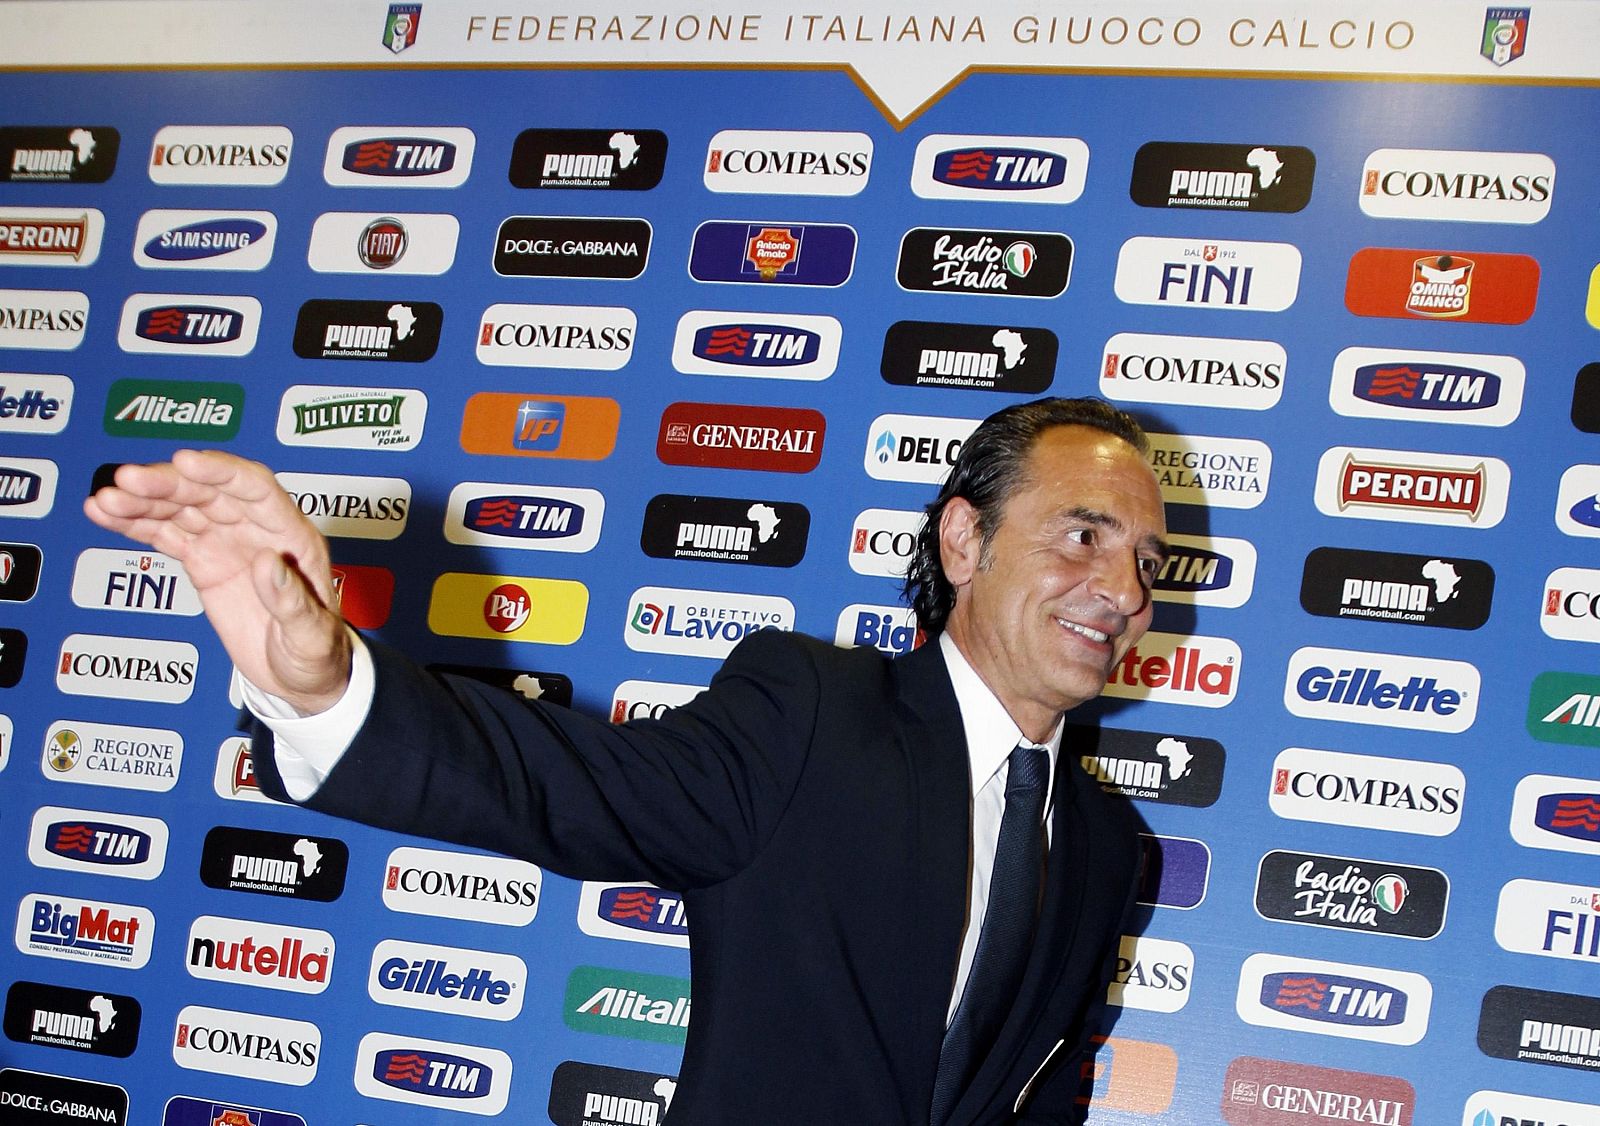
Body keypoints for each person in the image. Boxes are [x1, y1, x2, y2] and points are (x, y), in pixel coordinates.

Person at [85, 396, 1169, 1125]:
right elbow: (569, 786)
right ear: (963, 542)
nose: (1122, 590)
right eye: (1081, 536)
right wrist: (325, 687)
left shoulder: (1106, 842)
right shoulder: (814, 716)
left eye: (1144, 559)